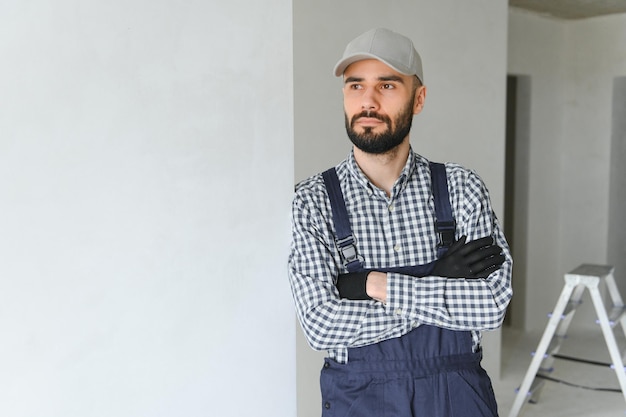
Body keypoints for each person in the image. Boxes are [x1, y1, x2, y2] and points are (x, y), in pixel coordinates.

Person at [288, 27, 513, 417]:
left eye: (387, 86)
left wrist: (375, 285)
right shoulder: (313, 200)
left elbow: (491, 306)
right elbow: (321, 326)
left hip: (455, 394)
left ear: (418, 98)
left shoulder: (461, 187)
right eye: (355, 86)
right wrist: (436, 279)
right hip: (359, 397)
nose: (368, 101)